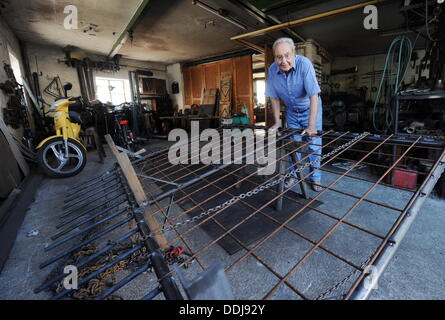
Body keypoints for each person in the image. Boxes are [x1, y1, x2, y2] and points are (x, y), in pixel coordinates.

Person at [266, 37, 323, 192]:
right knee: (293, 146)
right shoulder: (272, 70)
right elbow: (274, 97)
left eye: (287, 55)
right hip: (292, 112)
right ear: (274, 57)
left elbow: (314, 96)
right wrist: (277, 122)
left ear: (293, 53)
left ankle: (315, 177)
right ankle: (293, 174)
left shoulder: (305, 64)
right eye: (279, 57)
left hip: (311, 109)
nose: (283, 61)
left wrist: (311, 125)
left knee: (314, 145)